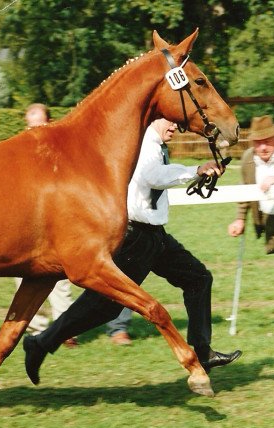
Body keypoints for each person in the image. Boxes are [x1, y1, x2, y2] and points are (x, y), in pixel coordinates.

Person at [23, 117, 242, 384]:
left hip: (156, 237)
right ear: (156, 118)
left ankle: (203, 351)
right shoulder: (144, 142)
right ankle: (41, 343)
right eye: (171, 122)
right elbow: (153, 176)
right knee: (103, 306)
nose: (176, 128)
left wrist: (199, 172)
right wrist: (196, 169)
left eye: (178, 124)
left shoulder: (157, 143)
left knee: (198, 278)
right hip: (136, 238)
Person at [228, 115, 274, 338]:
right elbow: (245, 190)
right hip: (270, 223)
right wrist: (240, 218)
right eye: (257, 142)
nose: (262, 147)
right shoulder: (248, 159)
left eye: (267, 141)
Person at [20, 103, 78, 347]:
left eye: (41, 124)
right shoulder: (19, 151)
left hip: (58, 224)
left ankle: (64, 330)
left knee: (60, 277)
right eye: (32, 126)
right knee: (23, 277)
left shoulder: (62, 150)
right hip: (27, 224)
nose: (37, 130)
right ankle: (37, 329)